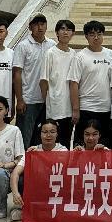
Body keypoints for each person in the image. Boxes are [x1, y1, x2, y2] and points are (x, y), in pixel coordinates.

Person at [10, 118, 69, 222]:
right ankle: (26, 208)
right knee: (21, 180)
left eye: (52, 132)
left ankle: (39, 211)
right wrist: (15, 193)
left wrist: (39, 157)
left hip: (55, 190)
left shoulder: (63, 150)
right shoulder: (32, 151)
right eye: (45, 132)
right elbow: (15, 173)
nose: (48, 135)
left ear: (57, 134)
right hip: (37, 191)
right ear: (40, 134)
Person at [68, 20, 112, 144]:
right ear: (86, 36)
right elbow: (73, 84)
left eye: (99, 34)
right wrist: (75, 109)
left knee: (103, 145)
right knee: (84, 145)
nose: (96, 37)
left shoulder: (111, 54)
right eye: (92, 34)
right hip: (86, 108)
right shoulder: (80, 56)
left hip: (106, 108)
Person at [13, 14, 55, 146]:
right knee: (24, 138)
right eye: (36, 24)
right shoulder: (23, 46)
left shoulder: (52, 45)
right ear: (30, 27)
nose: (40, 27)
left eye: (42, 24)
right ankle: (22, 159)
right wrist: (20, 99)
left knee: (41, 138)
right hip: (28, 100)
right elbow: (17, 74)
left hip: (47, 100)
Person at [40, 19, 76, 147]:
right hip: (54, 106)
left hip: (69, 106)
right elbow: (43, 81)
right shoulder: (50, 53)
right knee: (53, 142)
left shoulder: (74, 54)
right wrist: (48, 99)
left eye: (69, 30)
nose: (65, 32)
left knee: (66, 142)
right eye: (62, 29)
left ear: (73, 34)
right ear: (57, 32)